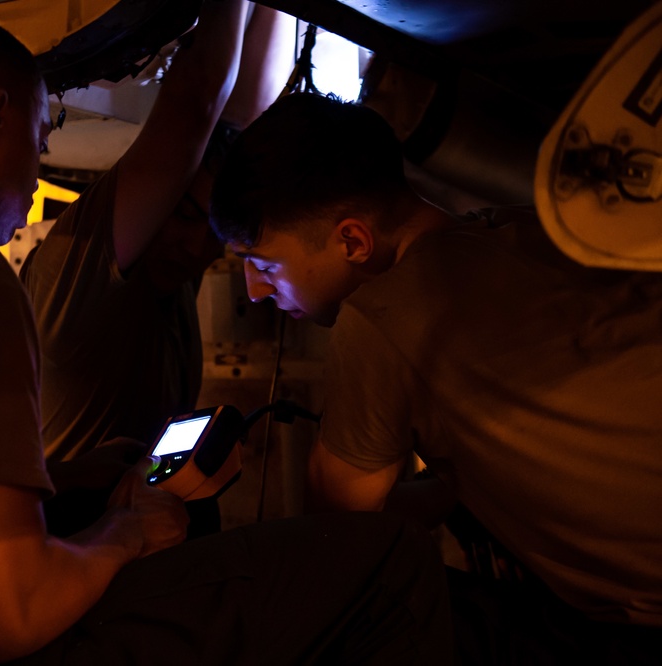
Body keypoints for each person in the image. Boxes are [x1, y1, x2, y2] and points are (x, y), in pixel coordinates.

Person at [0, 12, 456, 665]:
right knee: (384, 566)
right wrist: (127, 533)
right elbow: (9, 617)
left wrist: (76, 482)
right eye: (37, 143)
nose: (36, 179)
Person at [209, 92, 662, 663]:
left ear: (353, 240)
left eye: (266, 264)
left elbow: (337, 540)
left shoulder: (380, 318)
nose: (253, 289)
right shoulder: (528, 231)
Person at [22, 0, 296, 462]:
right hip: (72, 528)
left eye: (216, 234)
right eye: (187, 216)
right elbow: (195, 106)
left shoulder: (167, 272)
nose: (197, 249)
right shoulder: (78, 279)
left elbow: (240, 125)